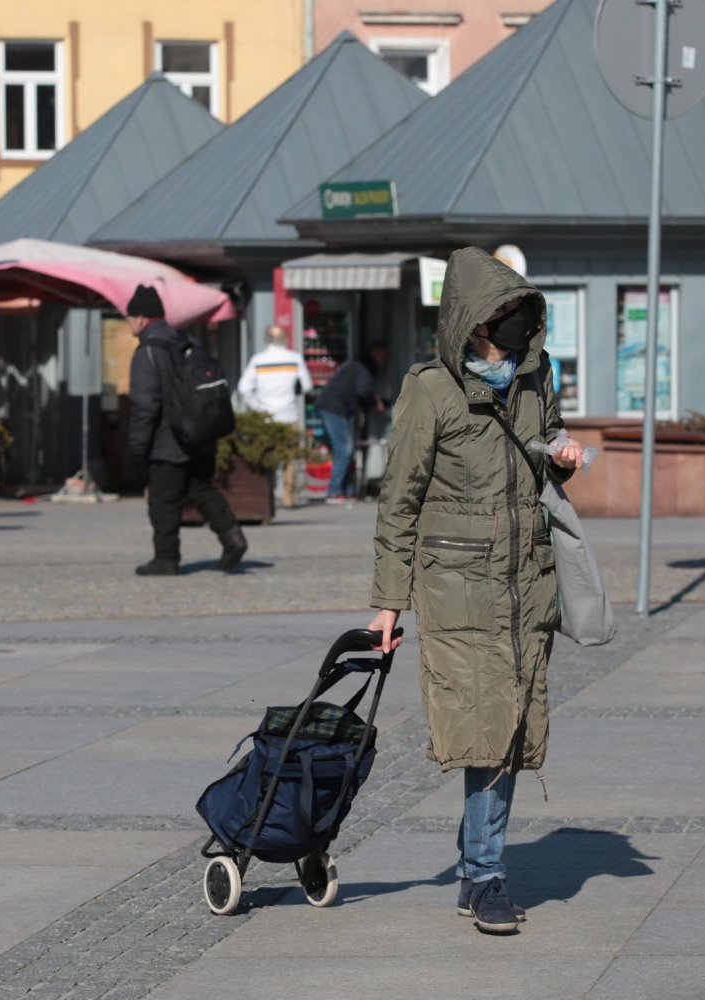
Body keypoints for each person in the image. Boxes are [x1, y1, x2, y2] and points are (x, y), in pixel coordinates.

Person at [365, 247, 585, 935]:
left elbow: (545, 450)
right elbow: (398, 502)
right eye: (506, 310)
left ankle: (473, 869)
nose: (519, 321)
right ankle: (487, 876)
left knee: (511, 728)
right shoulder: (431, 390)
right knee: (487, 730)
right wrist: (388, 603)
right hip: (458, 589)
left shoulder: (536, 377)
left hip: (527, 584)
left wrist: (564, 457)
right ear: (475, 319)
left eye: (524, 309)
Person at [126, 284, 247, 577]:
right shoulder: (186, 341)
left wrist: (138, 447)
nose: (128, 323)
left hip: (167, 442)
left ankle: (166, 558)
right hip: (199, 434)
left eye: (129, 317)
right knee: (200, 489)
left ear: (141, 318)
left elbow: (145, 406)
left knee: (163, 501)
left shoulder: (148, 351)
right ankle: (232, 535)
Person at [237, 324, 313, 508]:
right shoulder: (294, 358)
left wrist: (257, 406)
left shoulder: (258, 360)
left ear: (267, 339)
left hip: (266, 418)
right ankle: (288, 497)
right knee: (289, 458)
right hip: (289, 416)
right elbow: (307, 386)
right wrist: (294, 392)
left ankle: (266, 493)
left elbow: (243, 388)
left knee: (266, 457)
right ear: (285, 338)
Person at [313, 341, 389, 503]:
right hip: (334, 408)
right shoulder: (365, 366)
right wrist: (374, 403)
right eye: (383, 355)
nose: (385, 360)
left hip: (333, 407)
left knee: (343, 449)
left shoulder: (357, 365)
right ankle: (334, 491)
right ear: (376, 353)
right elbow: (363, 390)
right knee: (344, 449)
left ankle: (346, 490)